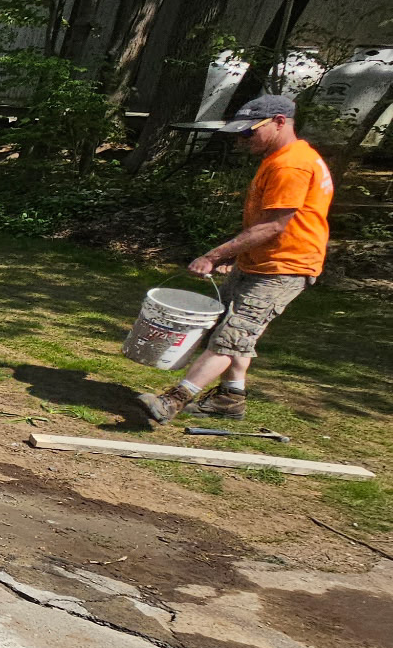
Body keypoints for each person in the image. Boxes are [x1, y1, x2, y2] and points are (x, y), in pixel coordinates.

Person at [139, 95, 334, 423]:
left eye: (249, 132)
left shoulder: (292, 164)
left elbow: (274, 225)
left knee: (232, 337)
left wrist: (213, 255)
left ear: (280, 122)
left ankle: (175, 399)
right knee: (233, 328)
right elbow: (264, 223)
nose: (244, 140)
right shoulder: (283, 157)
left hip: (283, 267)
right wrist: (239, 254)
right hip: (261, 261)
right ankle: (230, 398)